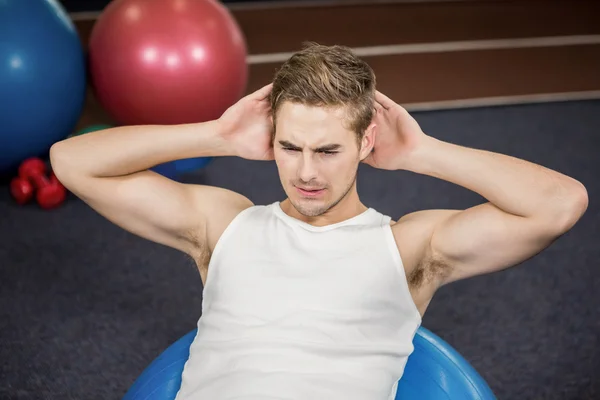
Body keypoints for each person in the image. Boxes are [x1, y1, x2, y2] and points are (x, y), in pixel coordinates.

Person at [50, 43, 588, 400]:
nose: (306, 172)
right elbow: (71, 162)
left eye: (328, 150)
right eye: (290, 146)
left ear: (365, 142)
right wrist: (214, 135)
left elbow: (560, 203)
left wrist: (422, 151)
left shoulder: (408, 247)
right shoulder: (222, 223)